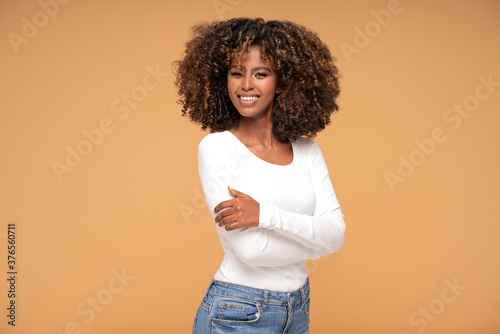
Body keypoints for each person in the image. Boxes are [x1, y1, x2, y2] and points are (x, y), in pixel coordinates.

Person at [174, 17, 346, 333]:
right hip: (237, 311)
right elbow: (252, 251)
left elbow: (337, 234)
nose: (246, 85)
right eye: (236, 73)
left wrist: (264, 215)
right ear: (221, 80)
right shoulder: (216, 148)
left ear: (282, 82)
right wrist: (317, 244)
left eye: (261, 74)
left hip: (299, 308)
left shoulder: (307, 151)